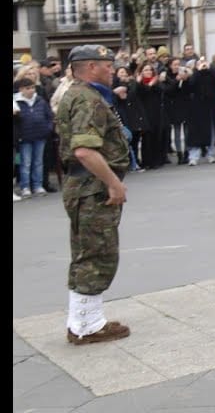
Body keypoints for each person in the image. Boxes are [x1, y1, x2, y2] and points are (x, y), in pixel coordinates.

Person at [55, 45, 131, 345]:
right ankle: (86, 326)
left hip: (84, 186)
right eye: (106, 65)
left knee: (88, 252)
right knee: (97, 254)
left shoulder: (77, 93)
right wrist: (114, 183)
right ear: (89, 68)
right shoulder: (88, 99)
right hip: (92, 188)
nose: (111, 69)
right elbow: (84, 150)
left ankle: (85, 319)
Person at [14, 77, 55, 197]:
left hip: (40, 135)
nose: (31, 90)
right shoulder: (16, 102)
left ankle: (38, 185)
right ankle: (25, 186)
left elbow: (49, 115)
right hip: (25, 136)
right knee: (25, 163)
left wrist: (48, 128)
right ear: (21, 89)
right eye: (28, 88)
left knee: (38, 162)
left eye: (32, 87)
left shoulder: (40, 100)